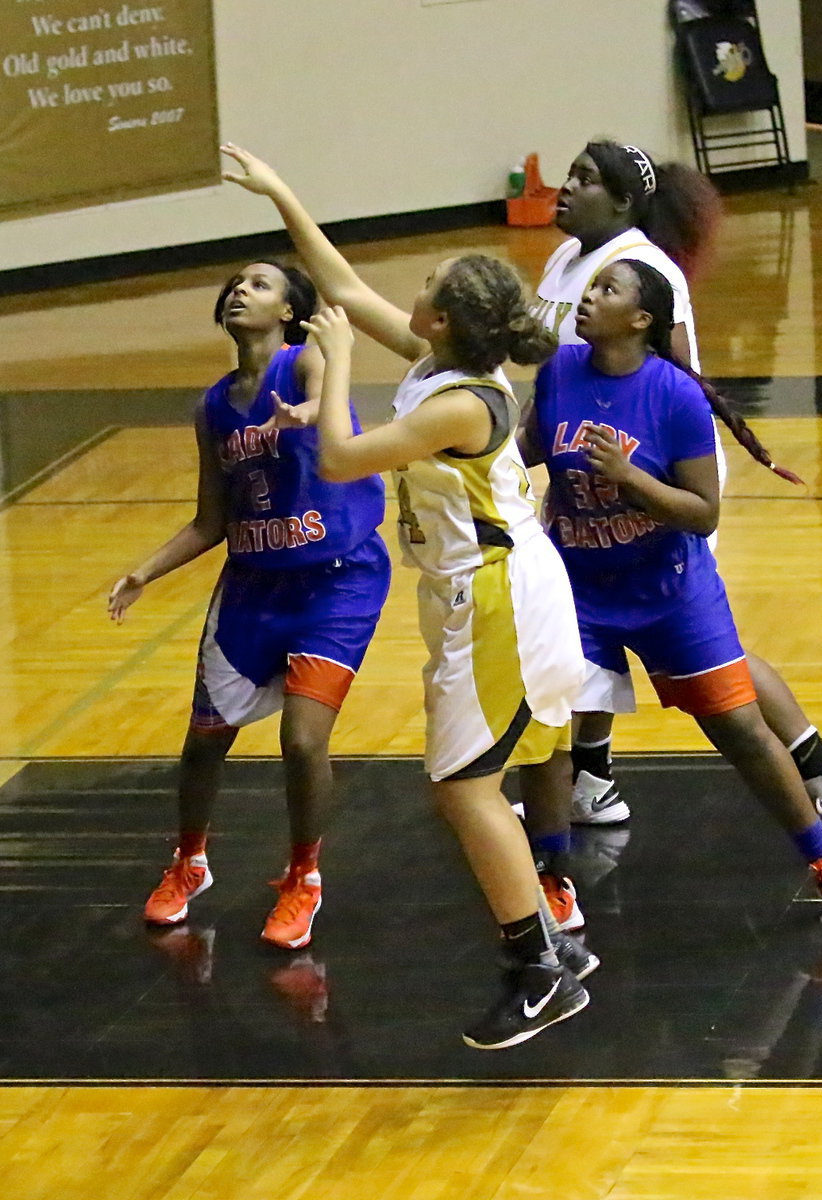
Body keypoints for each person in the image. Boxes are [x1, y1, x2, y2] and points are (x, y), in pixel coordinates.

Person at [220, 142, 595, 1050]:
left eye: (425, 285)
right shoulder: (441, 366)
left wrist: (333, 372)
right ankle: (551, 942)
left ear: (443, 320)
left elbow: (345, 455)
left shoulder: (467, 400)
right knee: (471, 784)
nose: (410, 293)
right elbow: (341, 287)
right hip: (478, 594)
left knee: (463, 788)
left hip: (499, 596)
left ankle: (538, 971)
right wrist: (280, 191)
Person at [523, 139, 822, 926]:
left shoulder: (655, 311)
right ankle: (580, 802)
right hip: (580, 557)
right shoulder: (564, 285)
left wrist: (636, 475)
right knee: (555, 706)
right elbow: (527, 422)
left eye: (586, 178)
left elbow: (678, 386)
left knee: (725, 700)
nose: (566, 187)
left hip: (664, 510)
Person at [108, 260, 391, 951]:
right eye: (236, 282)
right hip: (252, 586)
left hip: (337, 582)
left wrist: (309, 409)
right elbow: (212, 518)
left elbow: (325, 376)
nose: (241, 290)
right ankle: (189, 862)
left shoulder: (304, 365)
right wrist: (144, 571)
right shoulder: (212, 406)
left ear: (291, 311)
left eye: (261, 284)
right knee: (204, 743)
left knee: (301, 739)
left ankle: (304, 877)